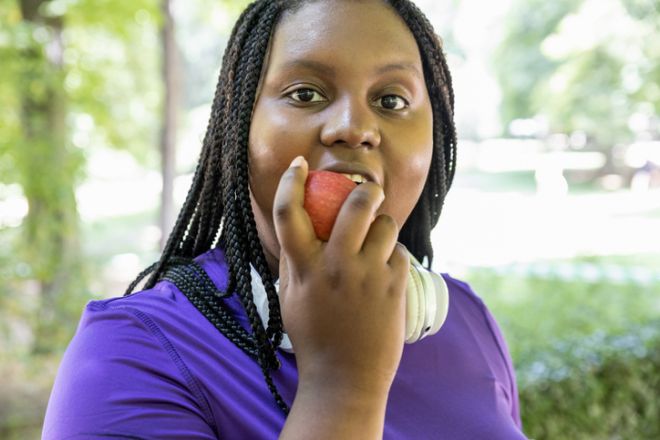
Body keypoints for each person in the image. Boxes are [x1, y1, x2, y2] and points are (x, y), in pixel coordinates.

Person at [43, 0, 527, 438]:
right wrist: (344, 383)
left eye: (391, 101)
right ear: (240, 125)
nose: (353, 129)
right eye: (305, 93)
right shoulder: (126, 358)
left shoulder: (466, 319)